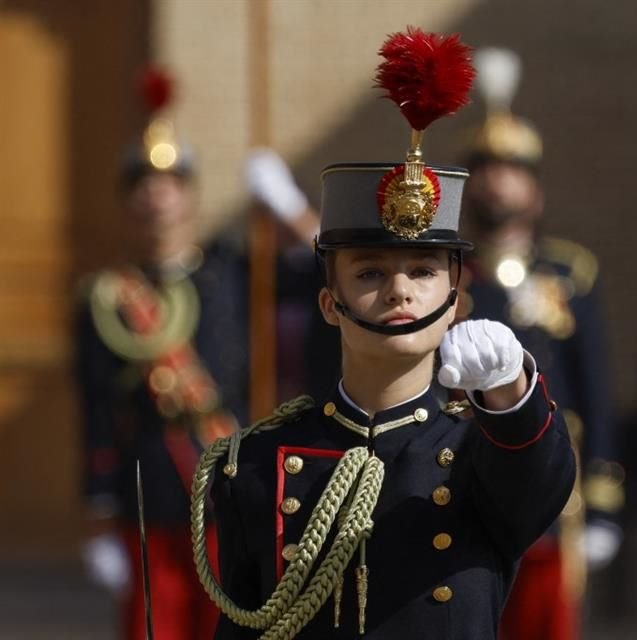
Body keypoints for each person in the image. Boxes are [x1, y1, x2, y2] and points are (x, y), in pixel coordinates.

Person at [191, 28, 577, 640]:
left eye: (423, 272)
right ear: (329, 301)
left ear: (455, 300)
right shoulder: (258, 462)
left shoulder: (481, 454)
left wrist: (511, 395)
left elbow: (542, 483)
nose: (399, 291)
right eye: (370, 272)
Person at [454, 47, 623, 640]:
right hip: (464, 489)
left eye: (514, 169)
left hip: (556, 497)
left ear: (536, 189)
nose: (499, 180)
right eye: (486, 167)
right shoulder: (447, 274)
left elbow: (596, 390)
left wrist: (603, 501)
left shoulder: (571, 274)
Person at [75, 68, 248, 640]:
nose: (157, 197)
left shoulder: (229, 273)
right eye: (143, 186)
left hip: (225, 469)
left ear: (189, 194)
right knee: (156, 623)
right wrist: (100, 506)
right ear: (127, 201)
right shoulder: (108, 296)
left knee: (228, 619)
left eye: (170, 183)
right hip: (148, 480)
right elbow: (97, 406)